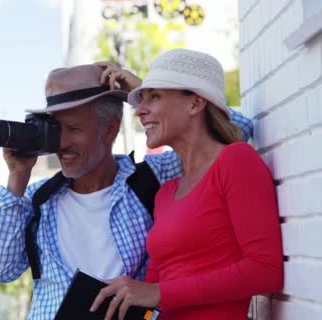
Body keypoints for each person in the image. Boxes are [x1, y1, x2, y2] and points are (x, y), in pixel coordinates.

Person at [0, 62, 254, 319]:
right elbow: (1, 270)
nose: (63, 143)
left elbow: (237, 129)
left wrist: (140, 94)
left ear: (110, 129)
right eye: (57, 130)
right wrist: (17, 177)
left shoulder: (153, 177)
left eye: (75, 129)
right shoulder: (36, 198)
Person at [90, 49, 283, 320]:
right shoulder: (166, 192)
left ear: (195, 104)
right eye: (141, 100)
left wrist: (160, 292)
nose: (139, 112)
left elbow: (265, 270)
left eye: (154, 96)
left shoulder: (236, 161)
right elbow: (151, 295)